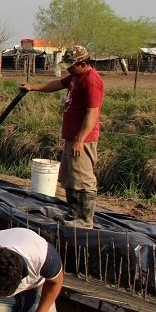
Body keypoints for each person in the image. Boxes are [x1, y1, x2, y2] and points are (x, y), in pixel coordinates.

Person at [22, 46, 104, 228]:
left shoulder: (91, 81)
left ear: (83, 63)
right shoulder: (76, 77)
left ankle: (84, 220)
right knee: (70, 177)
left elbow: (92, 113)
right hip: (71, 137)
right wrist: (33, 87)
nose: (68, 69)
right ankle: (73, 214)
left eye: (71, 65)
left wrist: (80, 139)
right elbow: (57, 84)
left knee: (83, 179)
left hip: (83, 139)